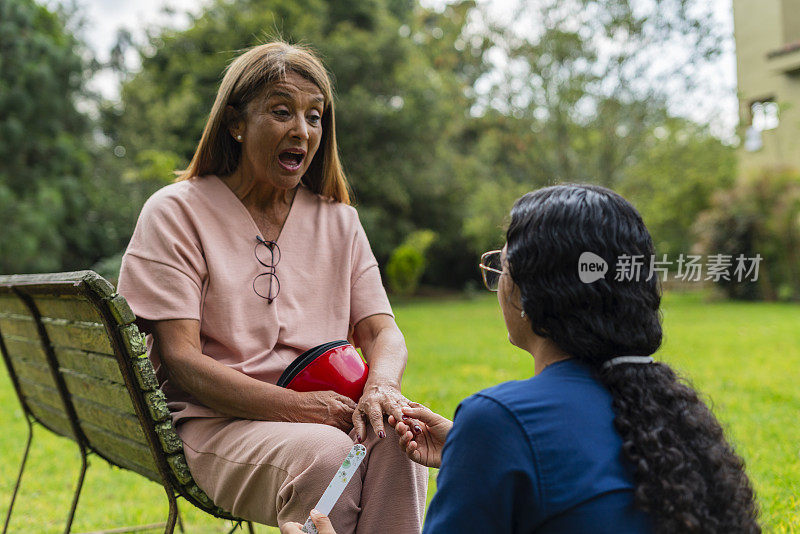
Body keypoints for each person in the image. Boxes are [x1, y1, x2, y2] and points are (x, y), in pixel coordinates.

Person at [282, 185, 761, 534]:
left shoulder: (500, 421)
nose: (499, 281)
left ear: (530, 296)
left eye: (502, 267)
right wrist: (466, 450)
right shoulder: (674, 416)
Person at [116, 41, 427, 533]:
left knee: (397, 437)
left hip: (326, 417)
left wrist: (383, 387)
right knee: (327, 456)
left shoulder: (339, 221)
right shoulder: (175, 212)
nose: (302, 130)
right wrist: (301, 409)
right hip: (217, 424)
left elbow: (381, 331)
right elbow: (181, 359)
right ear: (236, 123)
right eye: (281, 111)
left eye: (315, 116)